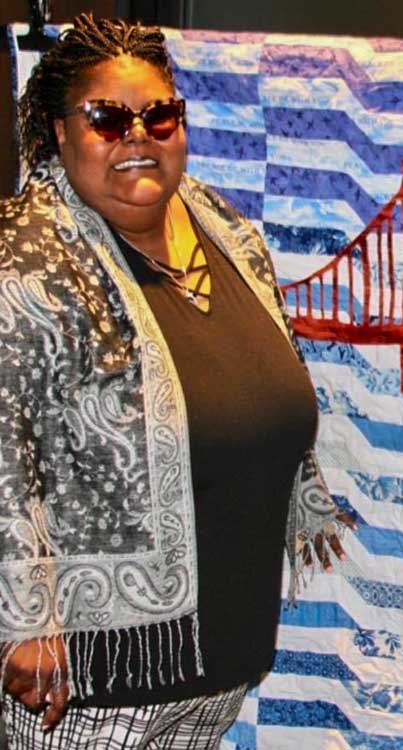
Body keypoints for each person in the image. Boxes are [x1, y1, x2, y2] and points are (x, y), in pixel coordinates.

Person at [0, 13, 354, 749]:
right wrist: (19, 618)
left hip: (218, 669)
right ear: (61, 135)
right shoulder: (24, 263)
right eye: (107, 117)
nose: (138, 135)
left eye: (159, 115)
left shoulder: (226, 234)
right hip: (93, 684)